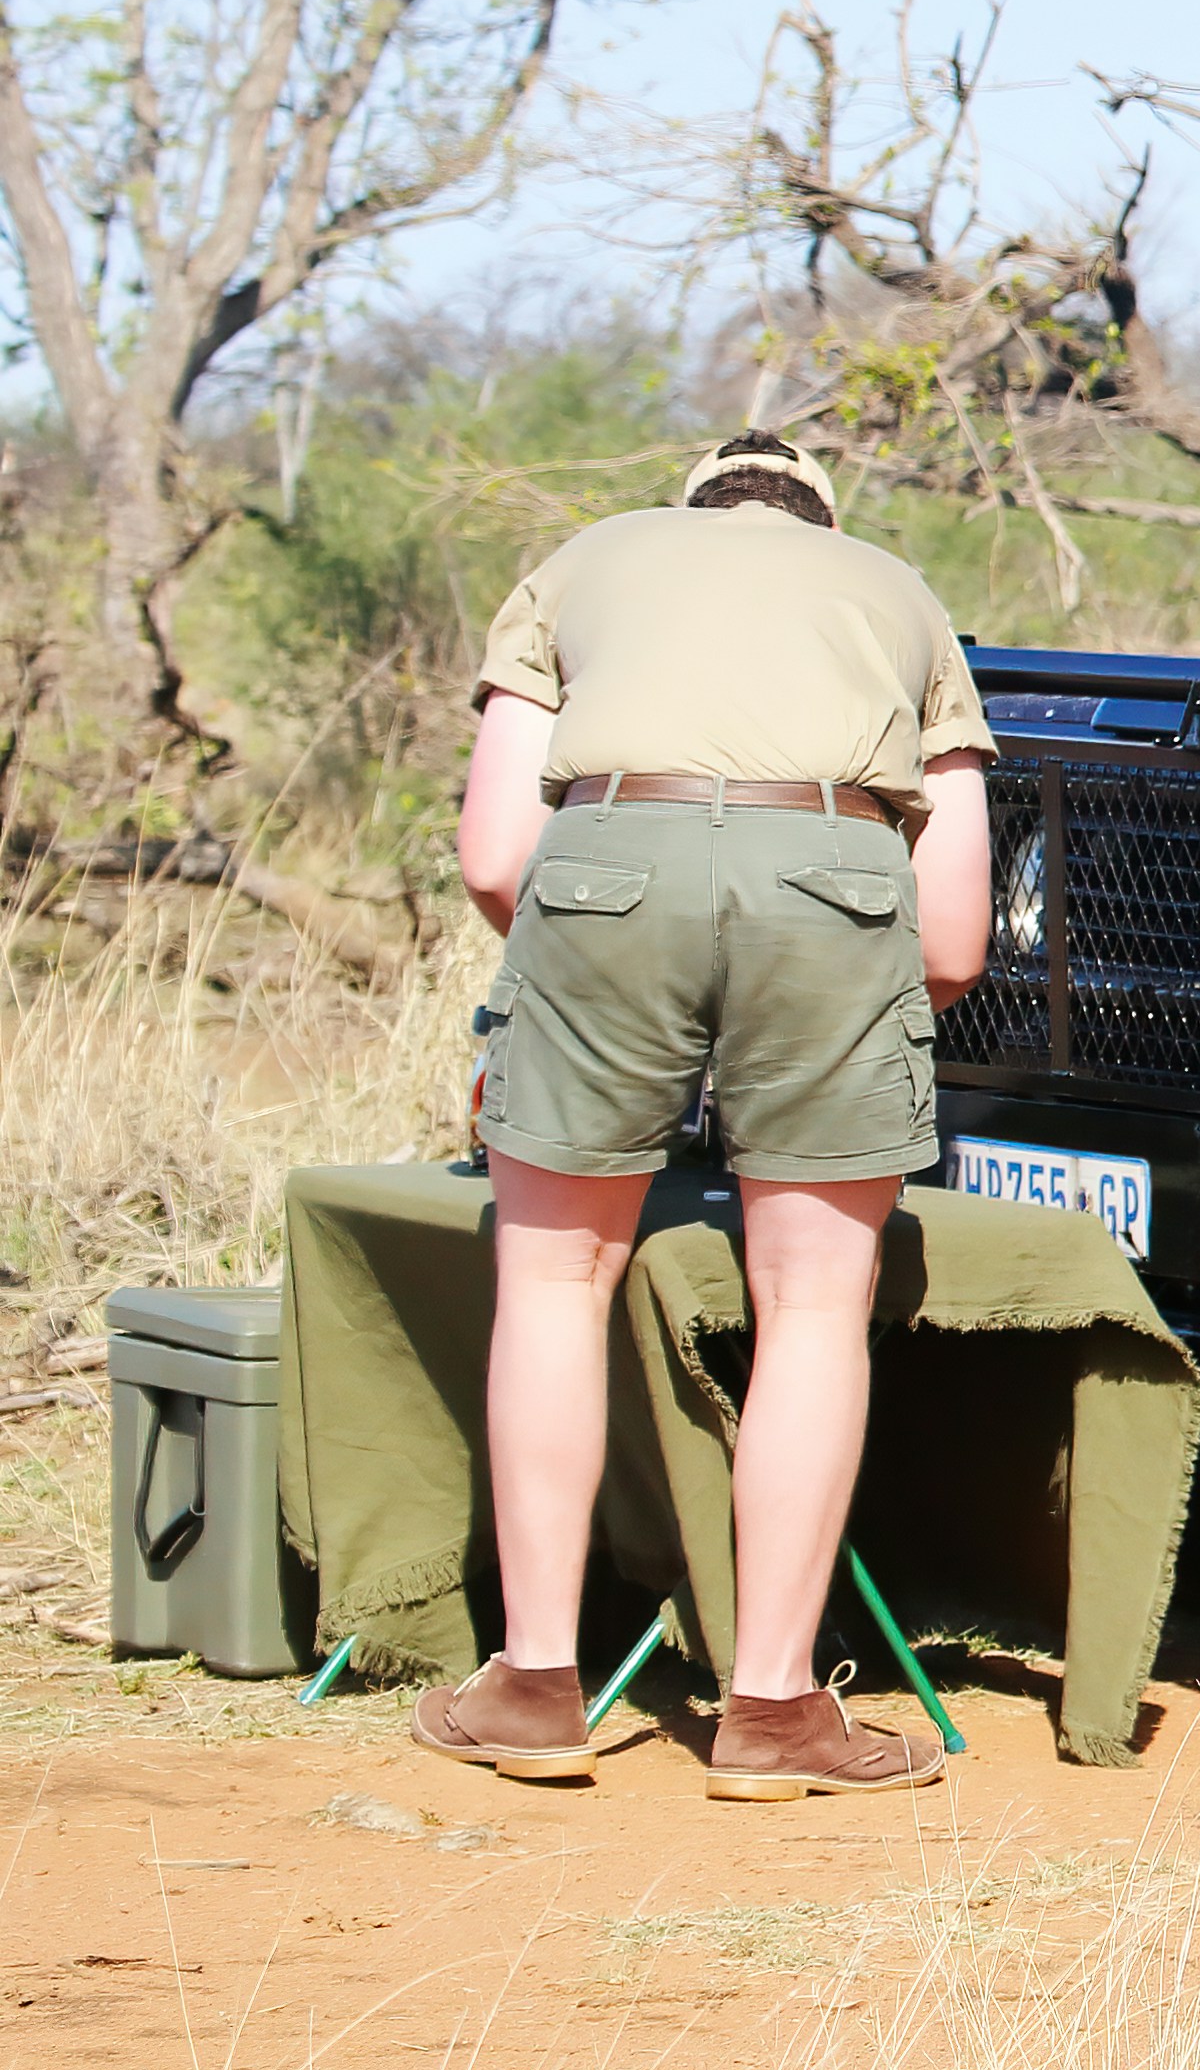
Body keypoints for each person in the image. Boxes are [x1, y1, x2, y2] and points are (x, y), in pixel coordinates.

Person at [409, 433, 994, 1802]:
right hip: (837, 875)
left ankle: (536, 1683)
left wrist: (587, 948)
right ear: (819, 523)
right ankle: (777, 1711)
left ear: (691, 508)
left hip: (611, 850)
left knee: (553, 1277)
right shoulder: (900, 593)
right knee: (811, 1308)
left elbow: (497, 855)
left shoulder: (581, 564)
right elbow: (954, 941)